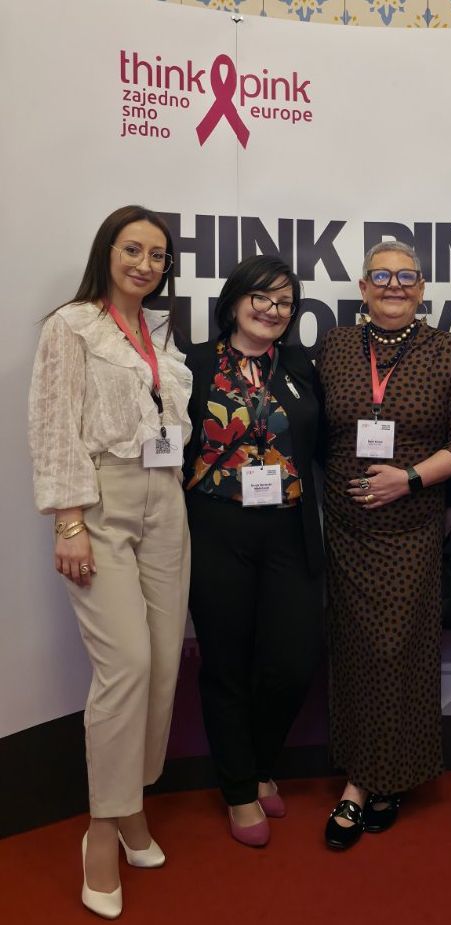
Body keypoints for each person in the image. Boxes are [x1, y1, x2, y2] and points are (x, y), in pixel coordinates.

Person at [28, 205, 191, 919]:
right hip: (101, 499)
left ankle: (132, 807)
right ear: (108, 251)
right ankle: (101, 828)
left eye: (157, 255)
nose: (145, 264)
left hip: (166, 499)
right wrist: (68, 521)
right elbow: (52, 424)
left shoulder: (159, 331)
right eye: (133, 249)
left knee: (162, 661)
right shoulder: (72, 326)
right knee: (125, 664)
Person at [317, 240, 451, 850]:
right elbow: (314, 430)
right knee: (355, 651)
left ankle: (370, 783)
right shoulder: (335, 347)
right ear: (363, 287)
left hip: (412, 527)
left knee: (399, 652)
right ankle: (374, 777)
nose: (394, 285)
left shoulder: (446, 349)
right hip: (346, 529)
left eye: (406, 276)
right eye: (381, 276)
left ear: (422, 288)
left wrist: (408, 478)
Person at [181, 255, 325, 848]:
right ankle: (240, 788)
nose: (272, 309)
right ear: (235, 300)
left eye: (284, 302)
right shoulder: (192, 364)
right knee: (227, 662)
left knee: (294, 660)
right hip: (217, 528)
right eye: (261, 297)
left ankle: (262, 761)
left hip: (289, 528)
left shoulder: (300, 366)